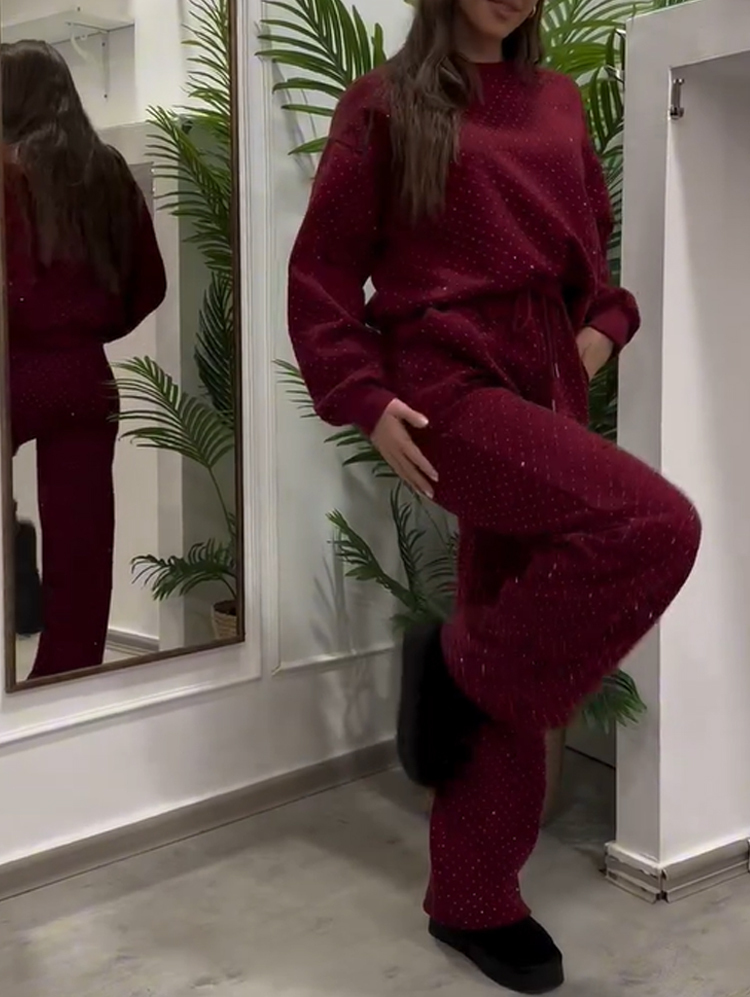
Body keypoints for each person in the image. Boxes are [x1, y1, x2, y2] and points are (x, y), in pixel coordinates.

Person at [288, 0, 701, 992]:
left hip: (545, 379)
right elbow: (324, 270)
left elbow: (589, 260)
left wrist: (599, 331)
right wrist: (365, 397)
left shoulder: (557, 101)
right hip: (445, 379)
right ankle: (457, 665)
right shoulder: (383, 104)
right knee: (655, 523)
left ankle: (473, 896)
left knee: (520, 628)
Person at [2, 40, 167, 680]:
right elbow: (148, 284)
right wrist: (91, 329)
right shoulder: (107, 170)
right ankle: (66, 683)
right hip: (84, 378)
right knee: (83, 552)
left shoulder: (4, 172)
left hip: (12, 374)